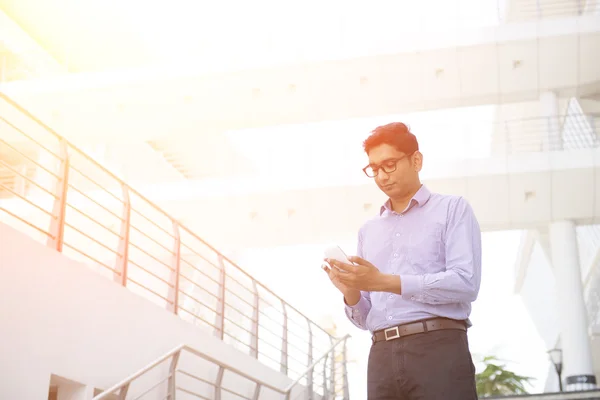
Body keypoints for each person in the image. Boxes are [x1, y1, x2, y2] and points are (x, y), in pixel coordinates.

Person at [323, 122, 482, 400]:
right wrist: (350, 290)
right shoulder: (368, 231)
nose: (382, 176)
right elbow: (366, 317)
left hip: (438, 349)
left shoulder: (452, 209)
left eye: (390, 164)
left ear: (416, 160)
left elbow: (465, 283)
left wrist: (384, 282)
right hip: (381, 354)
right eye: (374, 168)